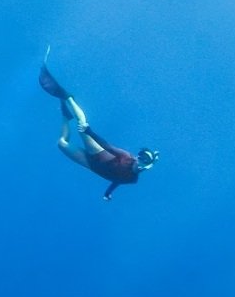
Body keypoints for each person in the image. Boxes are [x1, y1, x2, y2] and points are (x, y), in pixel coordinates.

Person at [40, 57, 157, 200]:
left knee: (61, 143)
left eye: (144, 160)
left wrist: (108, 192)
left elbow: (118, 180)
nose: (140, 160)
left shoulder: (132, 180)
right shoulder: (127, 157)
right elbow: (107, 146)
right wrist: (89, 131)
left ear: (148, 166)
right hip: (98, 152)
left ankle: (65, 113)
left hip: (91, 165)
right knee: (82, 124)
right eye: (141, 156)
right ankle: (68, 97)